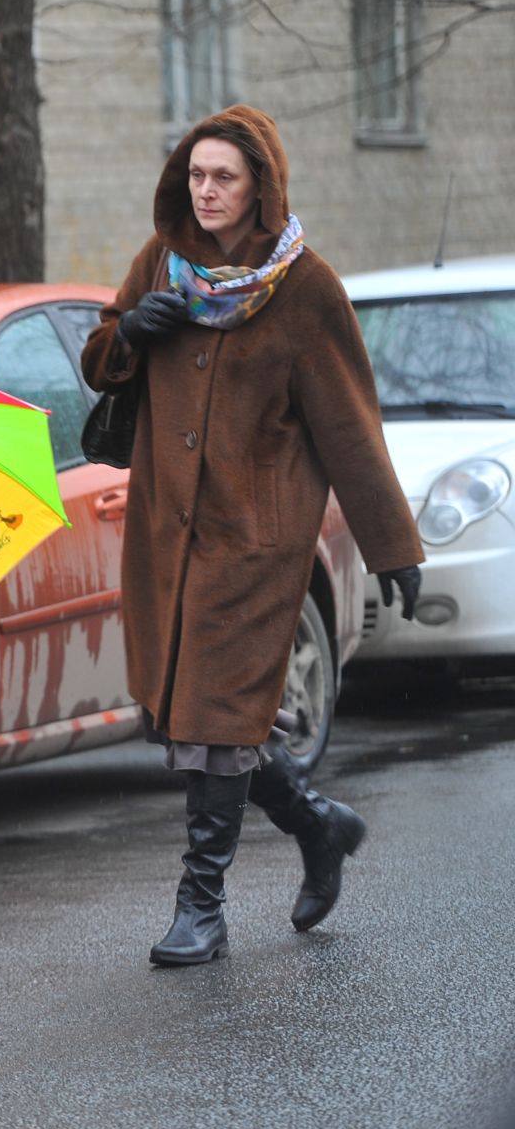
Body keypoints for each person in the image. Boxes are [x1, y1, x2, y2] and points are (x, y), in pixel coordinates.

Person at [80, 105, 424, 967]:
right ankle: (317, 825)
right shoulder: (162, 263)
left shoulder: (306, 287)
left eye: (223, 176)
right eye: (195, 174)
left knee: (218, 720)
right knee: (194, 719)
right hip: (168, 529)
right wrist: (131, 333)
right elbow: (98, 358)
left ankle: (202, 905)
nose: (206, 190)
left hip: (258, 535)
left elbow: (349, 424)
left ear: (259, 187)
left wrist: (394, 547)